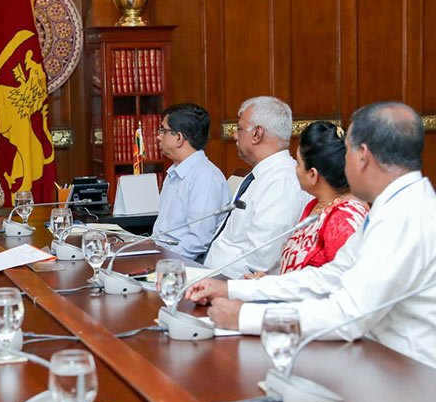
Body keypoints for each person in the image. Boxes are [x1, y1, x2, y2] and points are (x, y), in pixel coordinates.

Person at [187, 102, 436, 369]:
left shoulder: (404, 216)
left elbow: (348, 314)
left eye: (347, 152)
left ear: (363, 155)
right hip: (377, 360)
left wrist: (247, 316)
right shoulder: (395, 205)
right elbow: (326, 277)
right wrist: (233, 288)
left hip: (406, 376)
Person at [202, 96, 312, 277]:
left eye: (239, 128)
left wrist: (218, 288)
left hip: (231, 287)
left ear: (257, 133)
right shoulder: (259, 176)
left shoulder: (282, 181)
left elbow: (261, 260)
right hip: (211, 277)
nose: (235, 135)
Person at [253, 121, 368, 276]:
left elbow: (334, 285)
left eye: (299, 163)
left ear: (313, 175)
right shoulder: (316, 205)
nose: (295, 169)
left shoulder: (344, 219)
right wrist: (269, 283)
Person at [151, 103, 230, 259]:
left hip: (181, 265)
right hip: (161, 256)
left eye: (163, 130)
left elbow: (197, 241)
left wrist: (160, 262)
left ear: (179, 138)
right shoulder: (174, 173)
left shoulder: (205, 177)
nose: (158, 136)